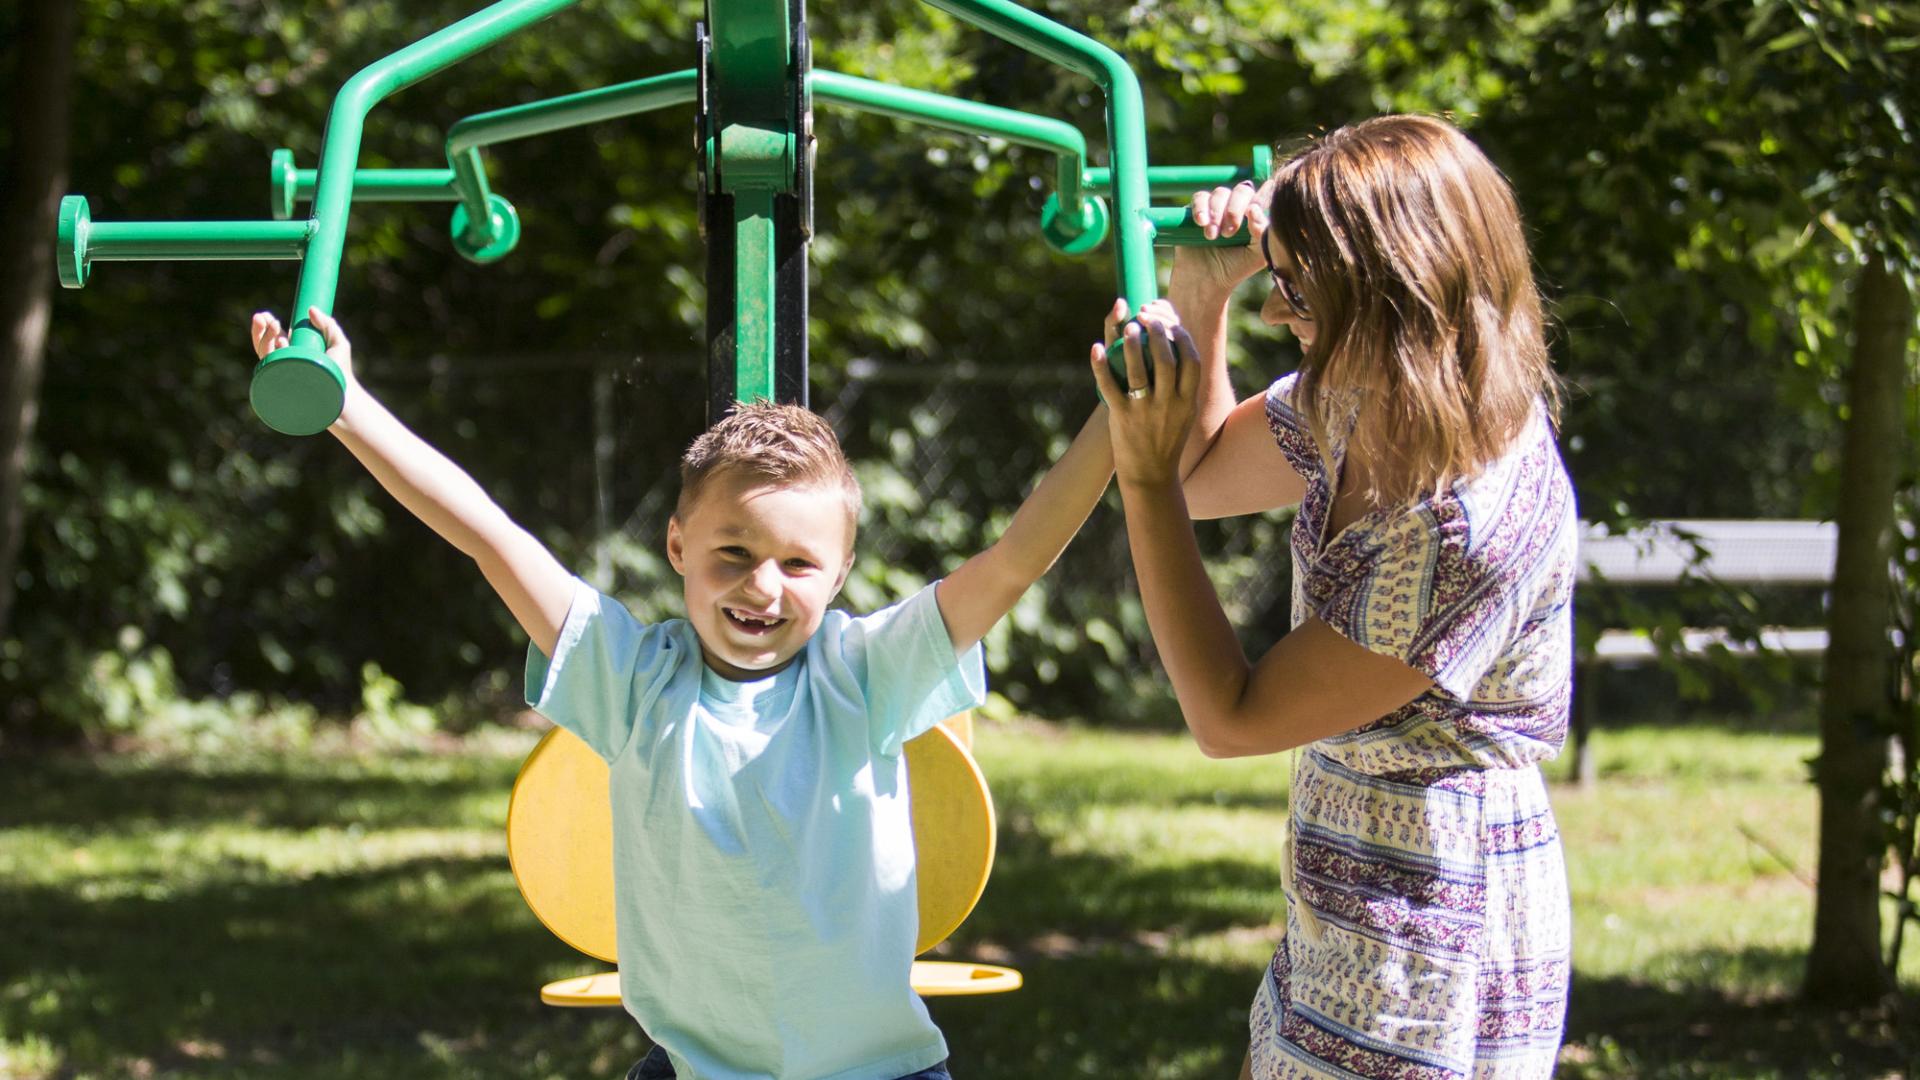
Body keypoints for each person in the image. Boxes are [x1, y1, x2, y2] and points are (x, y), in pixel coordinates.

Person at [248, 307, 1116, 1080]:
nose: (762, 587)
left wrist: (1118, 414)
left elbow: (1014, 561)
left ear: (842, 570)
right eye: (732, 553)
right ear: (676, 544)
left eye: (799, 563)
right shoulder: (633, 680)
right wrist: (348, 406)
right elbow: (489, 537)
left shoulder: (863, 675)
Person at [1089, 114, 1576, 1078]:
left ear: (1395, 296)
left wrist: (1138, 484)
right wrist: (1203, 295)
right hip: (1347, 882)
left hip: (1434, 926)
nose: (1280, 317)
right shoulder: (1361, 392)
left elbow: (1231, 718)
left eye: (1301, 294)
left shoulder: (1464, 528)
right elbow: (1206, 472)